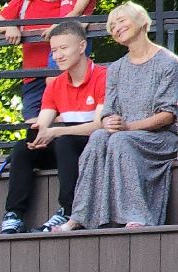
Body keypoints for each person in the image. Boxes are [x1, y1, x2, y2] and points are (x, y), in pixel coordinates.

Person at [59, 3, 178, 232]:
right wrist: (108, 121)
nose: (116, 28)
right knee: (98, 138)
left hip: (161, 138)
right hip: (125, 134)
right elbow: (109, 110)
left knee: (119, 140)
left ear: (141, 21)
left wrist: (128, 127)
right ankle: (80, 215)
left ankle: (137, 215)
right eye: (112, 26)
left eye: (121, 21)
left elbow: (167, 115)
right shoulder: (116, 68)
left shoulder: (168, 63)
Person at [2, 19, 106, 235]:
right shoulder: (55, 84)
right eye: (54, 50)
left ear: (82, 46)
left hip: (97, 146)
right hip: (66, 148)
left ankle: (68, 210)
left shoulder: (103, 76)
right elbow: (44, 122)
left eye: (63, 48)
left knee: (64, 142)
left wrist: (56, 131)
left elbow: (99, 125)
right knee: (23, 147)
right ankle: (13, 215)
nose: (57, 55)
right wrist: (37, 134)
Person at [0, 1, 97, 122]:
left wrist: (57, 27)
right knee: (32, 122)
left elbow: (78, 13)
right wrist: (8, 26)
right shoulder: (24, 2)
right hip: (34, 77)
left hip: (65, 71)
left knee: (65, 117)